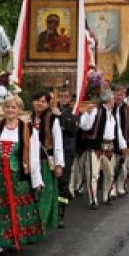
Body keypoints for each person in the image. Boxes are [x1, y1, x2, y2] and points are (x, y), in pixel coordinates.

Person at [0, 95, 45, 256]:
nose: (10, 110)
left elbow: (33, 157)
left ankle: (15, 238)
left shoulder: (28, 130)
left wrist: (36, 180)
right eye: (7, 107)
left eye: (13, 107)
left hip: (17, 176)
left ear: (20, 110)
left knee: (15, 208)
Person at [78, 88, 128, 207]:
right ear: (109, 100)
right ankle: (93, 200)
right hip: (96, 148)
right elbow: (84, 126)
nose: (114, 101)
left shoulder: (112, 115)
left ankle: (107, 196)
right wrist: (88, 114)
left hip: (109, 148)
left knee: (110, 174)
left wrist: (123, 146)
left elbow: (118, 133)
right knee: (93, 175)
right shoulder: (96, 111)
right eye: (113, 99)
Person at [30, 90, 65, 229]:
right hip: (29, 161)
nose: (39, 103)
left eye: (43, 101)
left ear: (47, 104)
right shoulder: (26, 119)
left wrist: (59, 164)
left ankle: (41, 224)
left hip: (44, 161)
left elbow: (58, 143)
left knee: (45, 194)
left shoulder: (52, 119)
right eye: (37, 100)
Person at [53, 87, 78, 228]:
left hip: (67, 151)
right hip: (53, 152)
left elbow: (72, 128)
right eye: (61, 96)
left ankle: (61, 213)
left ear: (69, 99)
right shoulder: (53, 111)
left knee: (63, 183)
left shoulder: (72, 112)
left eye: (65, 96)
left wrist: (60, 116)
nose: (63, 98)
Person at [111, 85, 129, 192]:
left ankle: (121, 187)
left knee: (123, 168)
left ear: (124, 96)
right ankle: (112, 189)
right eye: (117, 94)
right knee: (112, 168)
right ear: (113, 95)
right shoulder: (109, 108)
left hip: (126, 141)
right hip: (112, 143)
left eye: (121, 94)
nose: (119, 97)